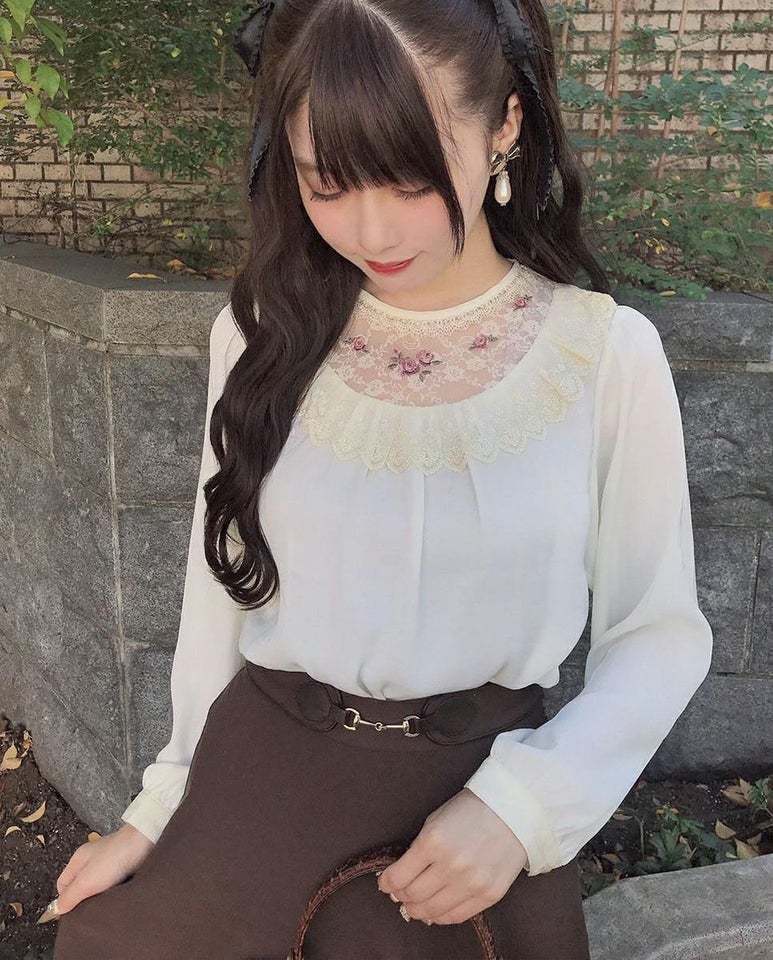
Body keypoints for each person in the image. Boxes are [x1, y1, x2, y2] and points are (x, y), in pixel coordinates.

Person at [50, 0, 714, 957]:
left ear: (505, 126)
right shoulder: (259, 338)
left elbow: (657, 635)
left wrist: (526, 809)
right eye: (325, 182)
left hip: (468, 826)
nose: (369, 228)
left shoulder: (603, 356)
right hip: (255, 786)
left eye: (408, 179)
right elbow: (220, 601)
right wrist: (158, 809)